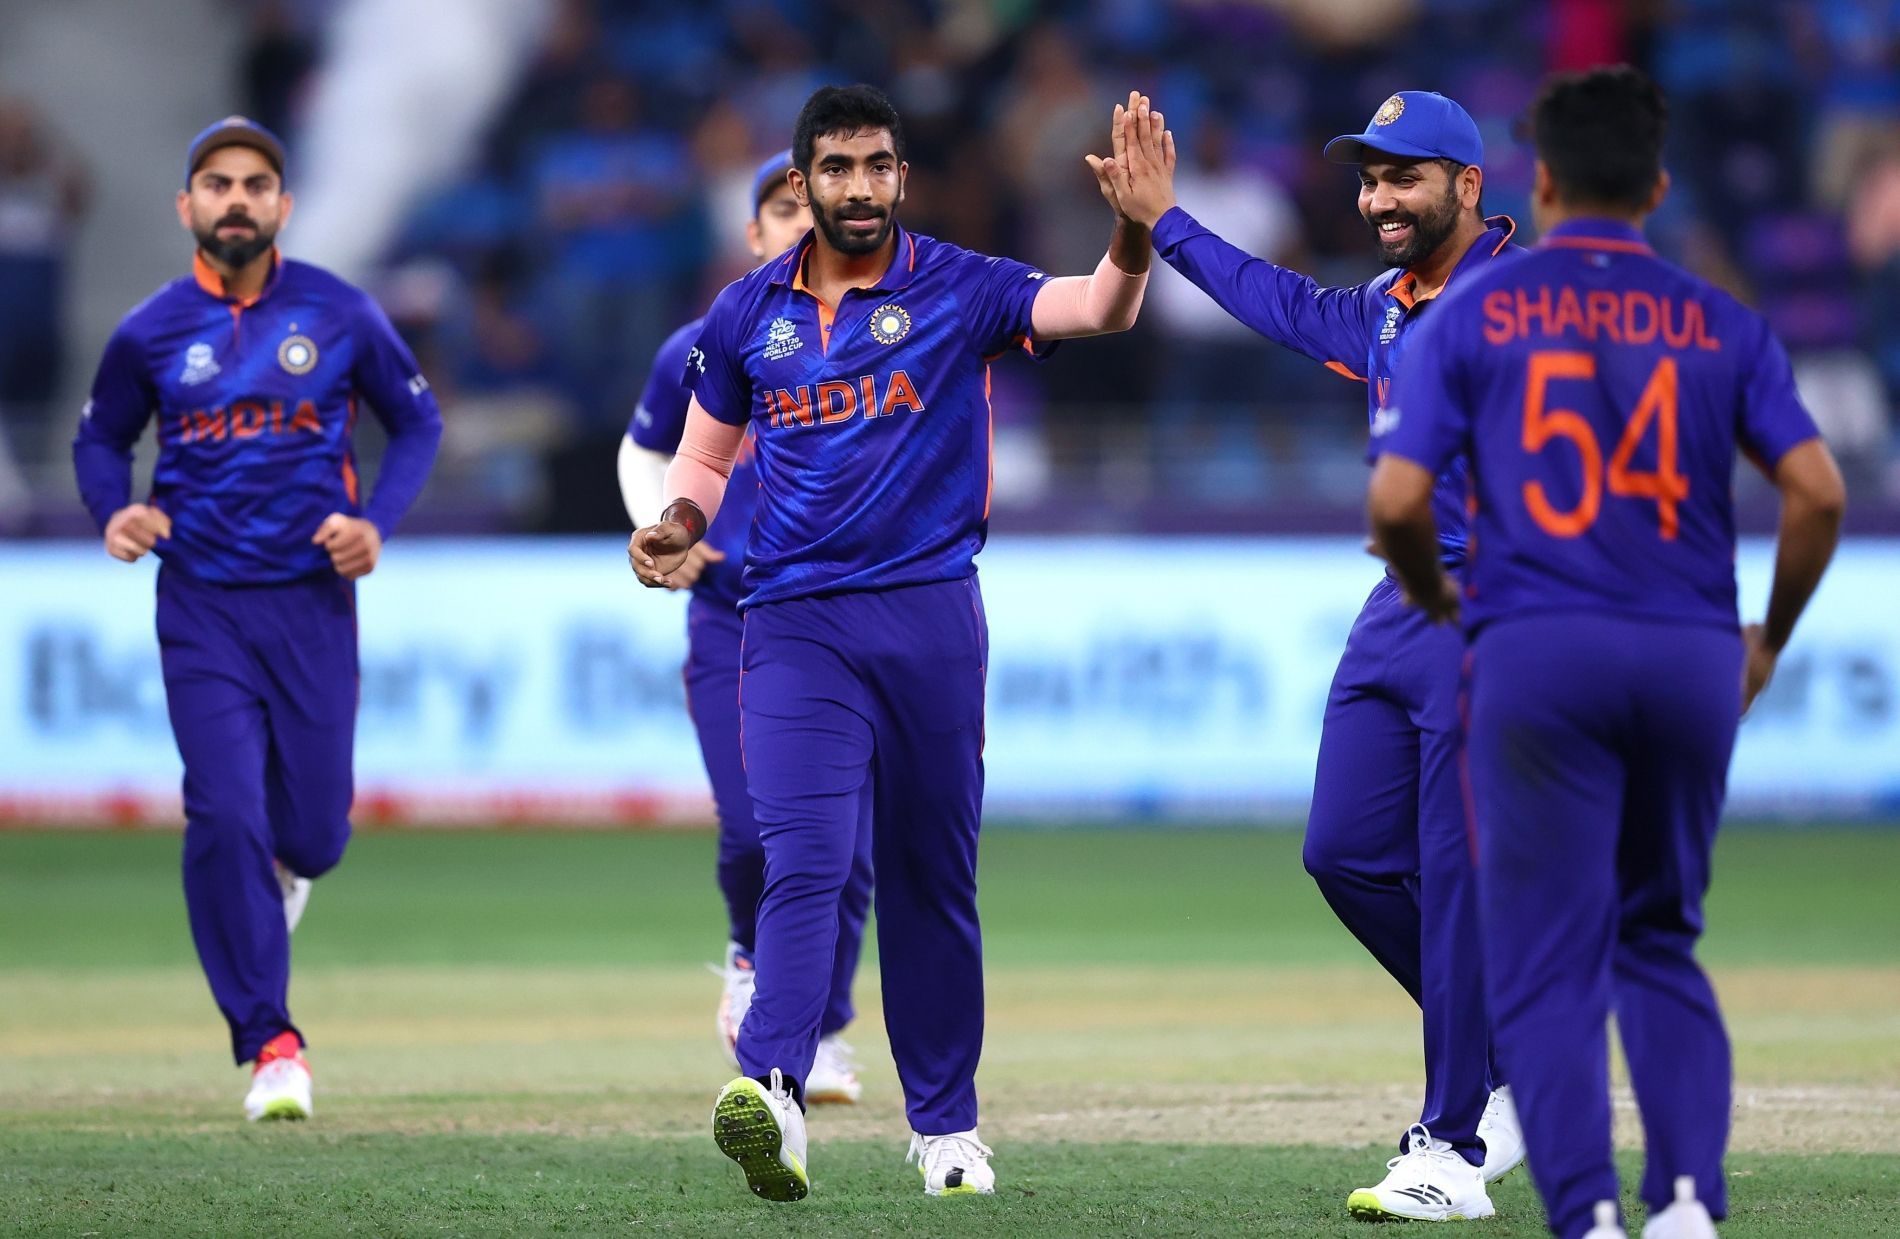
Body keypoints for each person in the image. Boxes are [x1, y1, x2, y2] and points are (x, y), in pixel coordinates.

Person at [629, 84, 1153, 1202]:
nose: (858, 187)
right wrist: (676, 524)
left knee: (930, 876)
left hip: (927, 617)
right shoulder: (743, 314)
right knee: (803, 856)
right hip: (791, 622)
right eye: (836, 168)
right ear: (803, 179)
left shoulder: (962, 287)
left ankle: (945, 1125)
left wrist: (1136, 229)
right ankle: (771, 1089)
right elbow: (706, 459)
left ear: (901, 178)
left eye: (877, 166)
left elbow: (1098, 309)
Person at [1367, 66, 1846, 1239]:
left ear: (1540, 182)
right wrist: (1767, 639)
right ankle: (1684, 1203)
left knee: (1535, 956)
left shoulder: (1477, 310)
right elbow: (1818, 494)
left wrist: (1437, 601)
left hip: (1536, 649)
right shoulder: (1719, 320)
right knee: (1658, 940)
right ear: (1659, 184)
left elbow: (1394, 500)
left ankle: (1581, 1214)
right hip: (1688, 652)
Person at [1102, 90, 1525, 1219]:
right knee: (1341, 853)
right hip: (1397, 607)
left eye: (1402, 177)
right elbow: (1280, 303)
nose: (1377, 198)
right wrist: (1165, 222)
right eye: (1368, 177)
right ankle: (1512, 1051)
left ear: (1467, 188)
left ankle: (1452, 1148)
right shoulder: (1389, 305)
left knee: (1456, 876)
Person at [71, 117, 442, 1122]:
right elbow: (102, 439)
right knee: (224, 811)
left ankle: (281, 875)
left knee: (314, 836)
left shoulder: (342, 312)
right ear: (186, 207)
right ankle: (270, 1042)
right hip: (200, 605)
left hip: (313, 604)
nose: (236, 199)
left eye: (255, 184)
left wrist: (374, 524)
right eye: (217, 184)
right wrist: (119, 511)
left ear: (282, 206)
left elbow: (416, 421)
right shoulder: (148, 330)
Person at [617, 149, 871, 1105]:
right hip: (735, 617)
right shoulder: (706, 341)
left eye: (811, 203)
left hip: (851, 616)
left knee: (849, 849)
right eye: (781, 204)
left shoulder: (889, 334)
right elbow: (645, 449)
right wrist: (665, 529)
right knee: (751, 826)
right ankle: (746, 958)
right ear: (754, 231)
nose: (799, 218)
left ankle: (822, 1032)